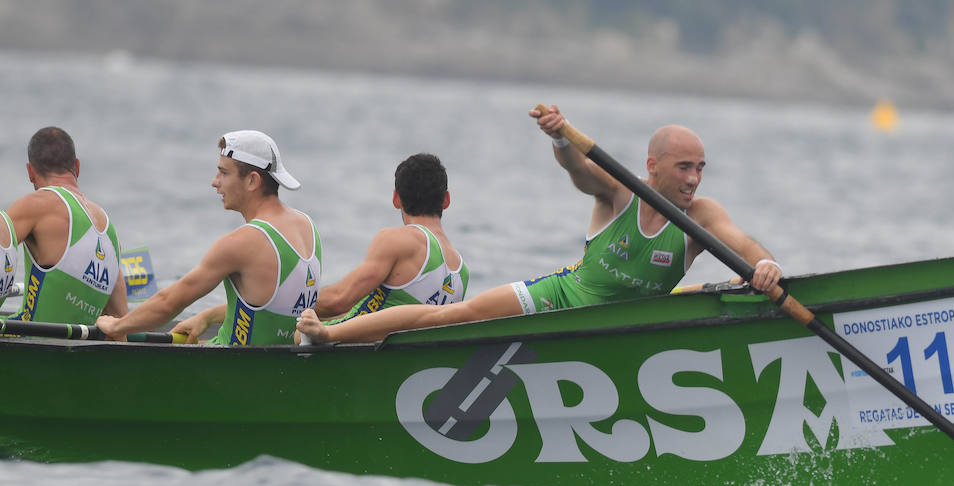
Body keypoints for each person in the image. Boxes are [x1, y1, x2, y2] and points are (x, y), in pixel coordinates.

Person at [295, 104, 781, 344]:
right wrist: (562, 141)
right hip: (565, 298)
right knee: (453, 318)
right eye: (684, 168)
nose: (694, 179)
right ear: (653, 165)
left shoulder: (702, 215)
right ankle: (331, 336)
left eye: (700, 168)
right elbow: (578, 171)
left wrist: (765, 266)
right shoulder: (622, 190)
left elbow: (742, 243)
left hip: (625, 322)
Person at [97, 130, 321, 345]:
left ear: (252, 181)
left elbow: (168, 303)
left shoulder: (243, 242)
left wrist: (118, 326)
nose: (215, 182)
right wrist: (208, 315)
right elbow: (273, 309)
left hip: (236, 368)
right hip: (276, 364)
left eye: (224, 173)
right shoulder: (307, 227)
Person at [309, 153, 468, 323]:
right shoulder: (461, 270)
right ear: (446, 199)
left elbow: (338, 301)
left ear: (396, 199)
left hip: (368, 344)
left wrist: (291, 304)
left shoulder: (398, 240)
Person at [5, 126, 128, 322]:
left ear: (30, 172)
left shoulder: (36, 205)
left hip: (31, 339)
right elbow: (119, 319)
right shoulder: (111, 235)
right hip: (78, 345)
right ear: (77, 167)